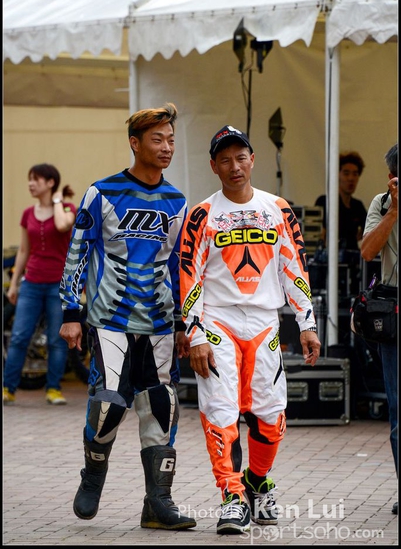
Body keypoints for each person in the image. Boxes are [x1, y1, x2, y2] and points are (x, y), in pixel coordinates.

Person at [58, 103, 196, 531]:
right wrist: (71, 312)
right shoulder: (102, 192)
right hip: (109, 319)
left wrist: (182, 323)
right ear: (135, 143)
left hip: (160, 322)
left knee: (161, 405)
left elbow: (178, 266)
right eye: (157, 139)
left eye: (171, 139)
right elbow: (78, 251)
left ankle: (158, 503)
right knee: (109, 404)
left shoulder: (177, 200)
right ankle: (93, 476)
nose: (167, 147)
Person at [179, 124, 321, 534]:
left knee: (271, 414)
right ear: (213, 166)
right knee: (220, 410)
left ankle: (257, 482)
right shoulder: (202, 214)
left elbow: (294, 267)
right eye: (225, 159)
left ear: (253, 160)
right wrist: (196, 334)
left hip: (264, 322)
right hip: (217, 320)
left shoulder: (278, 208)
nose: (234, 166)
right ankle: (232, 496)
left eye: (241, 157)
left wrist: (307, 323)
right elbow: (189, 276)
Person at [3, 164, 76, 406]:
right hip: (31, 284)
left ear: (50, 182)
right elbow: (24, 250)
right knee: (19, 337)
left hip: (59, 285)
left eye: (36, 179)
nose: (30, 184)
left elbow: (63, 226)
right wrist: (14, 284)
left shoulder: (67, 209)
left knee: (56, 339)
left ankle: (53, 389)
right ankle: (8, 388)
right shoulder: (27, 213)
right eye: (29, 179)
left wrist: (56, 201)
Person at [360, 142, 398, 516]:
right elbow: (368, 251)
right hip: (395, 311)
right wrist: (395, 212)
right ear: (392, 178)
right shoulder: (382, 204)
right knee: (399, 409)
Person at [314, 151, 367, 295]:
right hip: (330, 266)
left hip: (354, 266)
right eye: (346, 173)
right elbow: (320, 235)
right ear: (337, 175)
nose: (351, 178)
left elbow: (369, 230)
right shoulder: (325, 201)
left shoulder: (358, 206)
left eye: (355, 174)